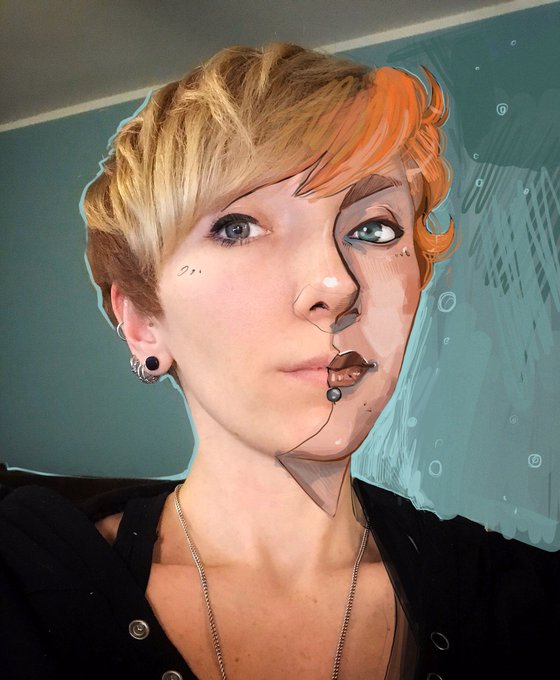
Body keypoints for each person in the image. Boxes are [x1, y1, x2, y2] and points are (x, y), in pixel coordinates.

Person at [0, 43, 557, 680]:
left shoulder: (521, 603)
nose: (336, 285)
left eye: (374, 229)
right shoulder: (21, 589)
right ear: (144, 323)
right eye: (237, 227)